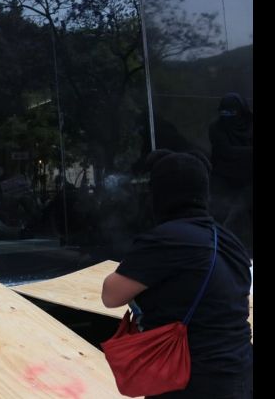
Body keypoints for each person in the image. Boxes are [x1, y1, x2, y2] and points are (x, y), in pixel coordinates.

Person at [101, 150, 252, 398]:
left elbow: (110, 295)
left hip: (190, 381)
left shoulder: (167, 239)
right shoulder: (230, 241)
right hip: (239, 374)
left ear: (160, 194)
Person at [208, 92, 253, 250]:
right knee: (223, 220)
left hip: (249, 181)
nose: (227, 117)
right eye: (224, 113)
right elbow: (227, 152)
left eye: (231, 112)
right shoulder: (215, 128)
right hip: (223, 181)